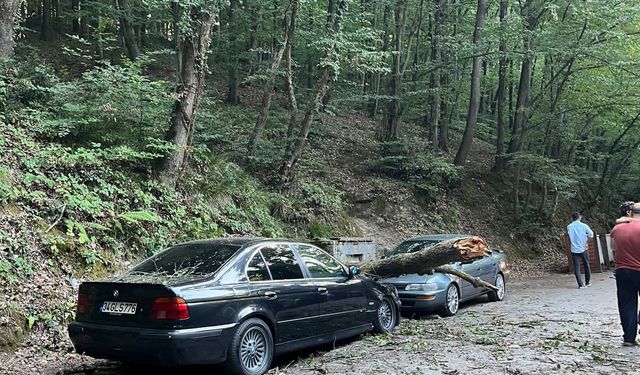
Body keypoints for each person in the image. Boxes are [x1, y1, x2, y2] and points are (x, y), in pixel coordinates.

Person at [610, 202, 640, 346]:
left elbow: (613, 249)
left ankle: (629, 338)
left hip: (622, 270)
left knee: (627, 303)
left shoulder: (617, 228)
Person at [567, 211, 594, 289]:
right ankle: (587, 282)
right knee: (586, 265)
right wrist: (586, 241)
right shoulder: (584, 226)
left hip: (574, 248)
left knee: (576, 267)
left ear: (572, 218)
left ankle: (580, 284)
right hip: (583, 248)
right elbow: (591, 234)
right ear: (580, 217)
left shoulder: (569, 226)